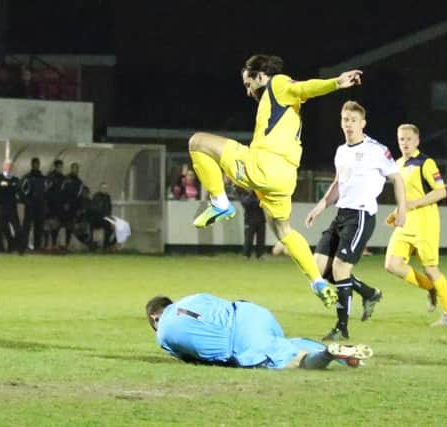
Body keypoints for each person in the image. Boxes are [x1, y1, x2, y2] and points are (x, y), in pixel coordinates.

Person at [187, 54, 363, 308]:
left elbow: (304, 87)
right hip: (285, 177)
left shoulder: (277, 84)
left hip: (265, 165)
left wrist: (336, 82)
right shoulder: (284, 103)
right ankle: (318, 282)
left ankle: (219, 203)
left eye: (249, 84)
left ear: (261, 76)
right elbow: (301, 91)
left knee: (198, 142)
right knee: (284, 232)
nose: (248, 92)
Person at [305, 101, 406, 341]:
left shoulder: (376, 150)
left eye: (352, 120)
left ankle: (342, 327)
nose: (348, 124)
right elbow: (338, 183)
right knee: (319, 268)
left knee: (340, 268)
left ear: (363, 123)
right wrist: (320, 206)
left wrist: (402, 209)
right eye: (344, 120)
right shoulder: (341, 151)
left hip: (361, 216)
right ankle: (369, 293)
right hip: (341, 214)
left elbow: (398, 179)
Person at [145, 293, 373, 369]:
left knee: (295, 361)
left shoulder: (162, 334)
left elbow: (192, 358)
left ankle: (328, 354)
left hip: (240, 343)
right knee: (285, 343)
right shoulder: (192, 297)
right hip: (251, 313)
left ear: (155, 317)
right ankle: (342, 356)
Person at [384, 124, 447, 327]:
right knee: (392, 265)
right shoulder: (397, 164)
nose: (405, 143)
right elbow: (404, 196)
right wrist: (396, 212)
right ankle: (431, 288)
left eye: (409, 139)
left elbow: (441, 192)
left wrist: (412, 204)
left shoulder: (426, 163)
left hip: (425, 221)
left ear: (417, 141)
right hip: (404, 222)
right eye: (401, 139)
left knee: (430, 269)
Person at [0, 159, 23, 253]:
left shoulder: (16, 179)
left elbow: (19, 191)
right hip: (1, 207)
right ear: (4, 167)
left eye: (11, 166)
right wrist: (8, 187)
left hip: (12, 208)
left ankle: (18, 248)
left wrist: (7, 186)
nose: (9, 168)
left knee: (17, 228)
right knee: (0, 228)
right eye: (7, 166)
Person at [20, 157, 47, 251]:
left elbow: (45, 192)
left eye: (37, 164)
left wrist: (44, 202)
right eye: (34, 164)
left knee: (38, 226)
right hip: (30, 206)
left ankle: (37, 246)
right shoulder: (27, 177)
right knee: (27, 226)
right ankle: (23, 246)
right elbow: (21, 191)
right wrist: (26, 201)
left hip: (40, 206)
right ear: (32, 165)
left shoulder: (43, 178)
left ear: (39, 165)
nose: (36, 166)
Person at [238, 188, 266, 260]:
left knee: (261, 239)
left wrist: (257, 201)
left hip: (260, 219)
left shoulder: (259, 194)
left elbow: (262, 203)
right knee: (248, 238)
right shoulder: (244, 193)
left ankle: (260, 255)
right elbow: (245, 203)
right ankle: (246, 255)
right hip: (249, 220)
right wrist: (256, 201)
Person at [60, 163, 84, 251]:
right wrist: (64, 203)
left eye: (76, 169)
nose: (75, 170)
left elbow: (79, 196)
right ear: (71, 169)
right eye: (74, 168)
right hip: (64, 206)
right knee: (61, 225)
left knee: (70, 226)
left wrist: (79, 208)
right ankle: (59, 244)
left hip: (73, 207)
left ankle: (67, 245)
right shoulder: (65, 179)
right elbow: (62, 192)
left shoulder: (80, 182)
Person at [44, 160, 65, 251]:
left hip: (59, 204)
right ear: (55, 167)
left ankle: (54, 243)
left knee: (57, 225)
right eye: (59, 167)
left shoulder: (63, 178)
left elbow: (64, 191)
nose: (60, 169)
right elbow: (46, 189)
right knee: (47, 224)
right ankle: (46, 244)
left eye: (61, 167)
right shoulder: (50, 177)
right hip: (50, 203)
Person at [91, 182, 116, 249]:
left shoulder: (108, 197)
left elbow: (109, 210)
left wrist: (112, 220)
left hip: (106, 218)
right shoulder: (96, 197)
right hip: (97, 219)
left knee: (117, 226)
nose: (104, 189)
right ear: (99, 188)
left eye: (106, 188)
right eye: (103, 188)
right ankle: (106, 245)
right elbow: (96, 210)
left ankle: (108, 244)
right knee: (108, 225)